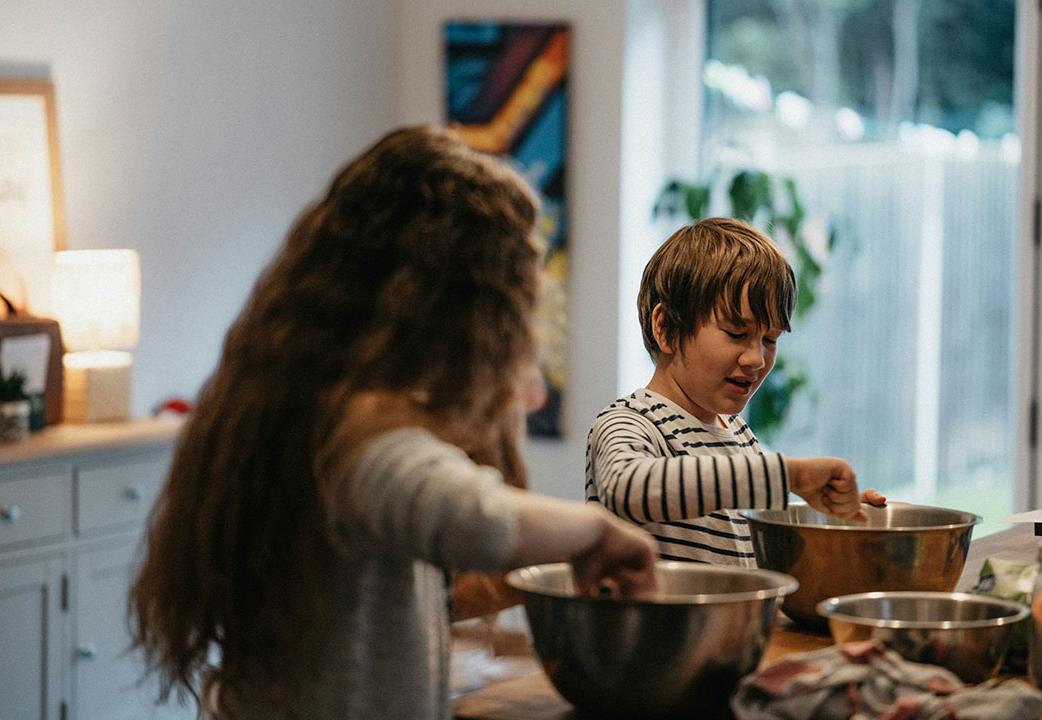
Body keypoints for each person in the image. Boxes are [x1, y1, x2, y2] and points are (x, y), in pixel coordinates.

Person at [130, 125, 658, 720]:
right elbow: (472, 518)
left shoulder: (296, 395)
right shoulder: (355, 429)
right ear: (456, 306)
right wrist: (598, 530)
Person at [585, 217, 884, 566]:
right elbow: (627, 488)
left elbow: (743, 515)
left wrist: (830, 513)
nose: (757, 358)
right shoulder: (630, 423)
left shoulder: (739, 433)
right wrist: (791, 475)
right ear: (666, 328)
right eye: (736, 333)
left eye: (770, 340)